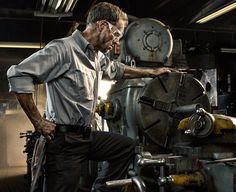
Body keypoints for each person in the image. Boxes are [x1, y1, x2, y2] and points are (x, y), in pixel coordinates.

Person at [7, 2, 172, 192]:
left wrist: (151, 72)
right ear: (102, 26)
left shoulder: (96, 56)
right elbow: (18, 75)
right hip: (63, 142)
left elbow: (116, 70)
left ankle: (101, 189)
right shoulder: (63, 49)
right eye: (116, 34)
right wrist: (39, 122)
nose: (117, 41)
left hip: (85, 136)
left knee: (126, 147)